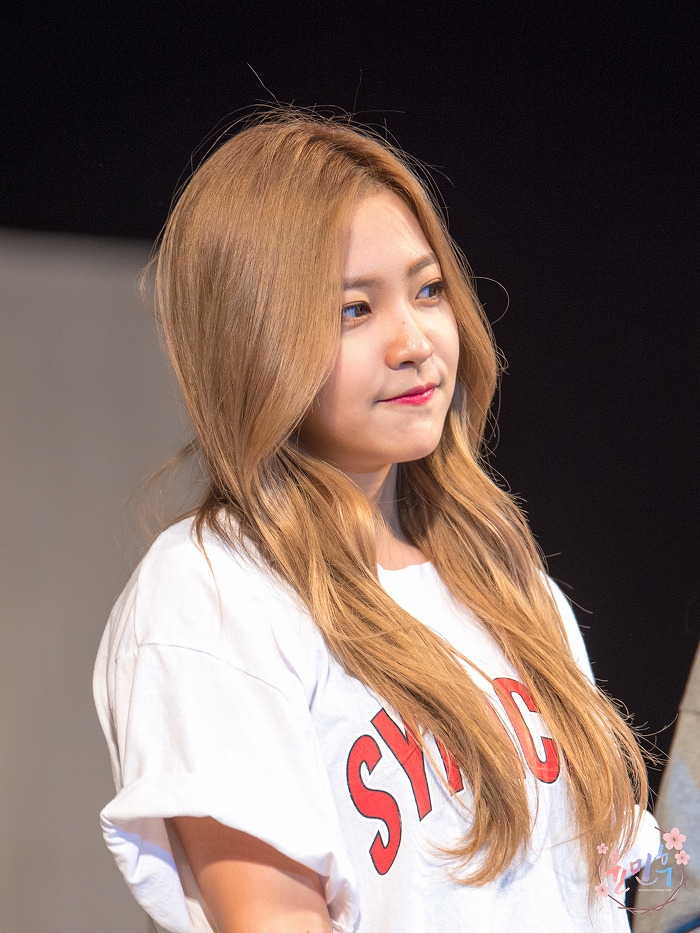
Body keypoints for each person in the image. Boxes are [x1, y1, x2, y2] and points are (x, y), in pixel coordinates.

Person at [94, 110, 657, 933]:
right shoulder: (214, 593)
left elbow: (598, 897)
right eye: (355, 309)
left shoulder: (510, 584)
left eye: (428, 290)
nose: (414, 340)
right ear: (253, 338)